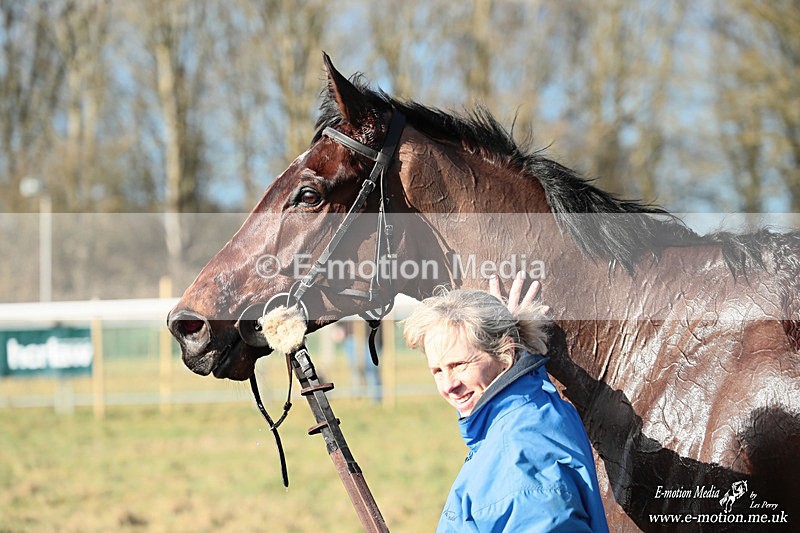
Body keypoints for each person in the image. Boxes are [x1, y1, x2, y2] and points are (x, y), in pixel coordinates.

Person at [403, 273, 608, 532]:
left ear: (506, 353)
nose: (448, 385)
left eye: (459, 365)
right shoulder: (529, 407)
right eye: (438, 370)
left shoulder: (519, 460)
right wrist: (507, 329)